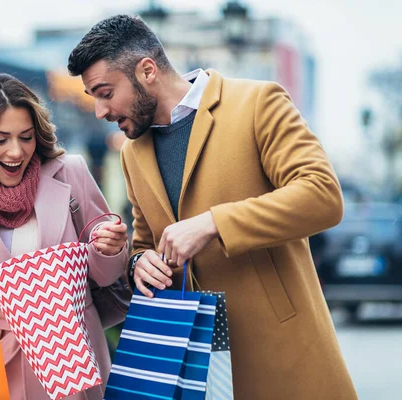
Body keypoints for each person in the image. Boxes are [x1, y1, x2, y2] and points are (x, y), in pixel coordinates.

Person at [68, 14, 357, 399]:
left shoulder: (257, 102)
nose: (101, 111)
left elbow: (322, 195)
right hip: (190, 370)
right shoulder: (132, 155)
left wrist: (212, 224)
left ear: (147, 70)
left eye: (105, 93)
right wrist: (140, 263)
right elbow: (145, 242)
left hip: (281, 355)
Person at [0, 73, 129, 400]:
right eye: (0, 140)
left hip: (70, 362)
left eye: (26, 137)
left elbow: (105, 275)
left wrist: (110, 249)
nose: (16, 152)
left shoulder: (70, 173)